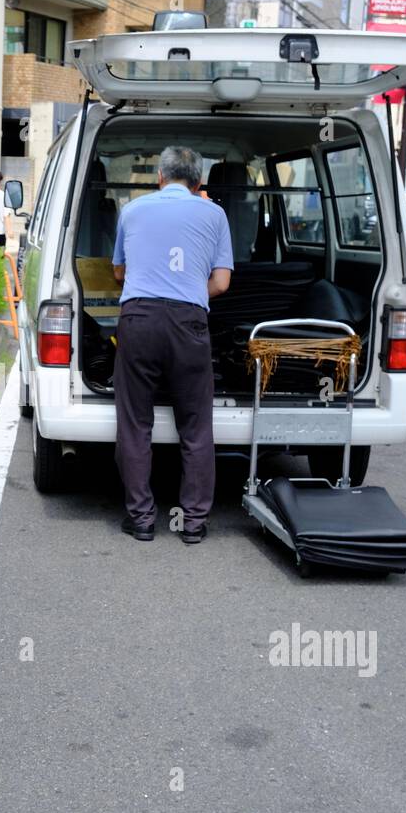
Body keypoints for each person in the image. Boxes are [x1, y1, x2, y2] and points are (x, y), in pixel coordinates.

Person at [111, 145, 232, 545]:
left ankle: (142, 518)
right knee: (196, 427)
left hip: (138, 320)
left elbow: (118, 272)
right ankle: (194, 523)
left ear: (159, 177)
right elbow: (221, 283)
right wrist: (185, 291)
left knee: (135, 423)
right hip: (189, 323)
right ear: (198, 182)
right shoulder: (215, 214)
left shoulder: (131, 211)